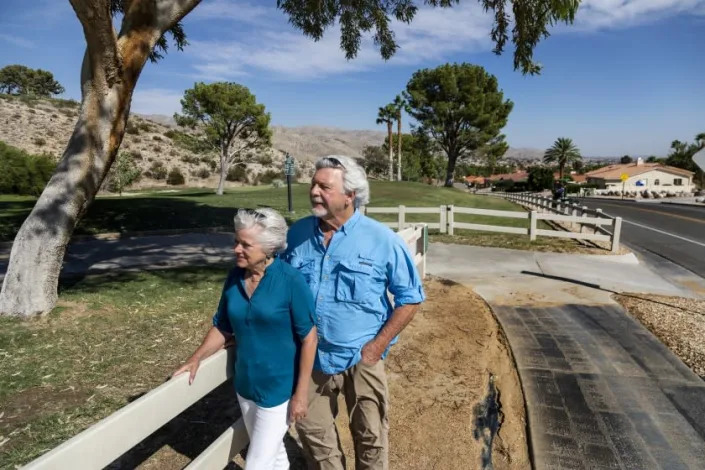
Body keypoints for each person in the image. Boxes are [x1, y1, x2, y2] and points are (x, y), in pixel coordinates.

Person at [284, 155, 425, 470]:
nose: (314, 192)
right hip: (312, 360)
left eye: (324, 186)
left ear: (350, 195)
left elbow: (411, 298)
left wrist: (375, 347)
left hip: (361, 358)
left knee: (370, 437)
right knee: (314, 436)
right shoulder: (297, 235)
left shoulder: (382, 240)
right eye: (313, 184)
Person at [173, 208, 317, 470]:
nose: (236, 249)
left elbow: (309, 338)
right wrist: (196, 358)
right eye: (236, 241)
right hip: (245, 385)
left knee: (257, 463)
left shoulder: (291, 281)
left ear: (268, 247)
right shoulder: (234, 278)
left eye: (245, 244)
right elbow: (223, 327)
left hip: (278, 389)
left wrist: (301, 393)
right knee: (274, 454)